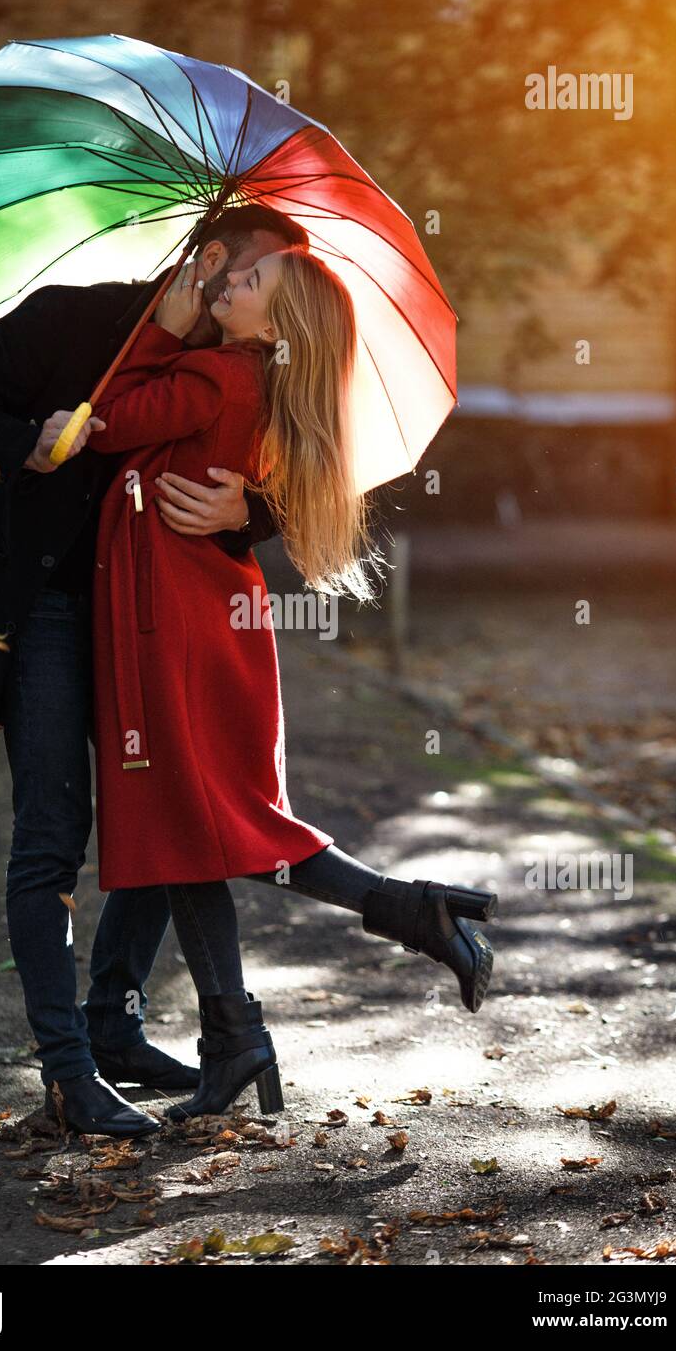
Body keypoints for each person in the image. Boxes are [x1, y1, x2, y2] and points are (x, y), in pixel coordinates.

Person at [0, 205, 311, 1138]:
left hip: (153, 621)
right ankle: (69, 1072)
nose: (271, 295)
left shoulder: (236, 367)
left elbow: (284, 474)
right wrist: (24, 440)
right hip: (49, 614)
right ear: (211, 261)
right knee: (53, 830)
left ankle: (116, 1021)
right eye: (260, 272)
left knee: (167, 813)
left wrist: (246, 512)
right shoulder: (66, 319)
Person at [87, 247, 497, 1124]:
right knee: (186, 819)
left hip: (178, 625)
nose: (227, 280)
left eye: (248, 282)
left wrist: (159, 330)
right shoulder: (256, 382)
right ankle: (177, 1029)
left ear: (275, 324)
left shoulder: (211, 373)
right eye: (233, 271)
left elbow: (107, 416)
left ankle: (258, 1022)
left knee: (204, 825)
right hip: (202, 616)